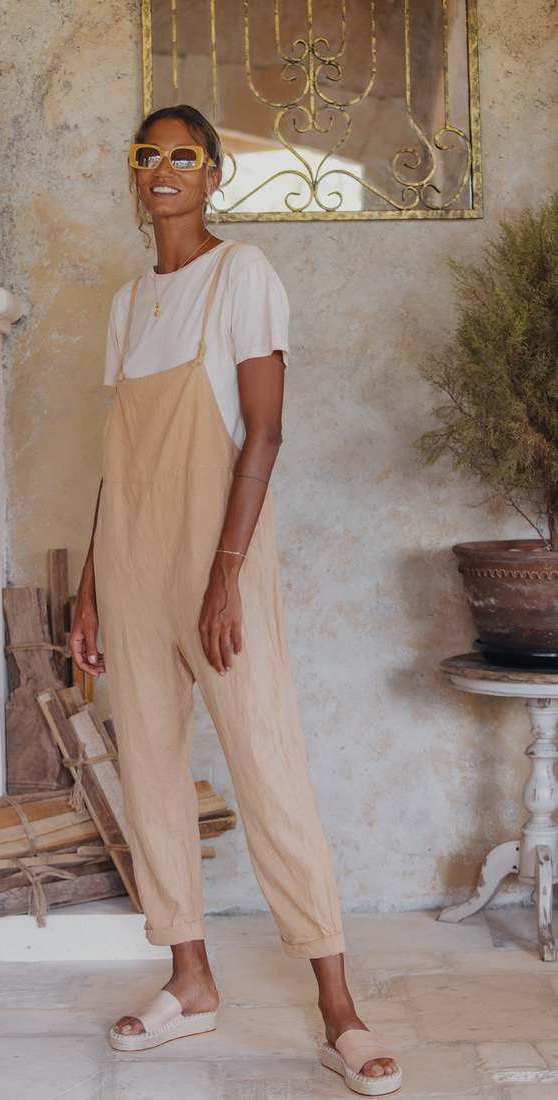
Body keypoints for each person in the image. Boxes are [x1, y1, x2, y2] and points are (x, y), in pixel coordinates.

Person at [69, 104, 402, 1096]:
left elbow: (263, 432)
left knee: (267, 767)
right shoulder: (128, 304)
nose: (163, 170)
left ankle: (338, 1009)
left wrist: (223, 574)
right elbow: (116, 461)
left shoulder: (241, 275)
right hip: (128, 565)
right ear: (134, 173)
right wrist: (89, 588)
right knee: (149, 774)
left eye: (184, 156)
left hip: (218, 558)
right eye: (148, 155)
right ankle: (190, 977)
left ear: (214, 174)